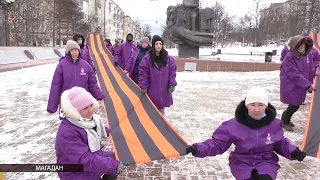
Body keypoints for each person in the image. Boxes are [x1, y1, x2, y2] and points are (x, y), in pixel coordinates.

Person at [186, 87, 307, 180]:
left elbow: (280, 143)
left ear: (266, 106)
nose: (256, 109)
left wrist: (293, 152)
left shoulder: (274, 124)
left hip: (266, 161)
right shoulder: (232, 125)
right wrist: (198, 149)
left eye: (260, 105)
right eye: (252, 105)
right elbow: (217, 143)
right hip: (242, 162)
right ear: (246, 105)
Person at [55, 87, 127, 180]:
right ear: (75, 111)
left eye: (91, 105)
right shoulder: (67, 133)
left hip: (90, 158)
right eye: (85, 108)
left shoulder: (86, 120)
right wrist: (114, 166)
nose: (91, 110)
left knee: (116, 156)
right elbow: (84, 160)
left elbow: (95, 129)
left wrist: (111, 131)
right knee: (111, 164)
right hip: (75, 172)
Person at [47, 40, 105, 117]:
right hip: (68, 102)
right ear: (68, 52)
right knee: (69, 123)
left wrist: (99, 95)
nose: (75, 52)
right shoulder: (62, 65)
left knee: (84, 123)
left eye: (76, 50)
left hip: (83, 101)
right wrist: (52, 106)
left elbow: (92, 83)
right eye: (72, 50)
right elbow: (56, 85)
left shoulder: (86, 65)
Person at [280, 35, 315, 131]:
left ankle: (286, 119)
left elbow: (311, 68)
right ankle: (284, 121)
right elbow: (294, 74)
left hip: (300, 84)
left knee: (296, 104)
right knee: (294, 105)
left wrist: (316, 74)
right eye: (299, 45)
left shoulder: (307, 55)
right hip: (291, 84)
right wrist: (307, 85)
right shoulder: (289, 57)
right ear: (294, 46)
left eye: (303, 45)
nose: (302, 47)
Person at [138, 35, 177, 115]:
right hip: (152, 90)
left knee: (161, 112)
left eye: (160, 44)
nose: (159, 46)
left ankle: (160, 126)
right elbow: (143, 73)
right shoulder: (147, 59)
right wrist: (143, 86)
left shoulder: (169, 59)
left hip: (163, 91)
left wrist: (172, 83)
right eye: (156, 44)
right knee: (150, 112)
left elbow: (172, 72)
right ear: (153, 45)